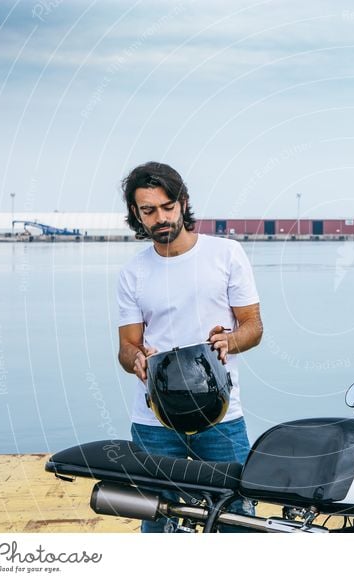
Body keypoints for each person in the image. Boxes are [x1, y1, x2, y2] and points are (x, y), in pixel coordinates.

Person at [116, 161, 263, 532]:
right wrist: (136, 358)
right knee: (159, 528)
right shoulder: (133, 273)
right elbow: (126, 347)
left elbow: (253, 326)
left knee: (237, 522)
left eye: (167, 207)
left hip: (220, 416)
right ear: (136, 214)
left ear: (183, 202)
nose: (160, 218)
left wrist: (230, 339)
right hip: (154, 420)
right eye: (149, 210)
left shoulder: (226, 254)